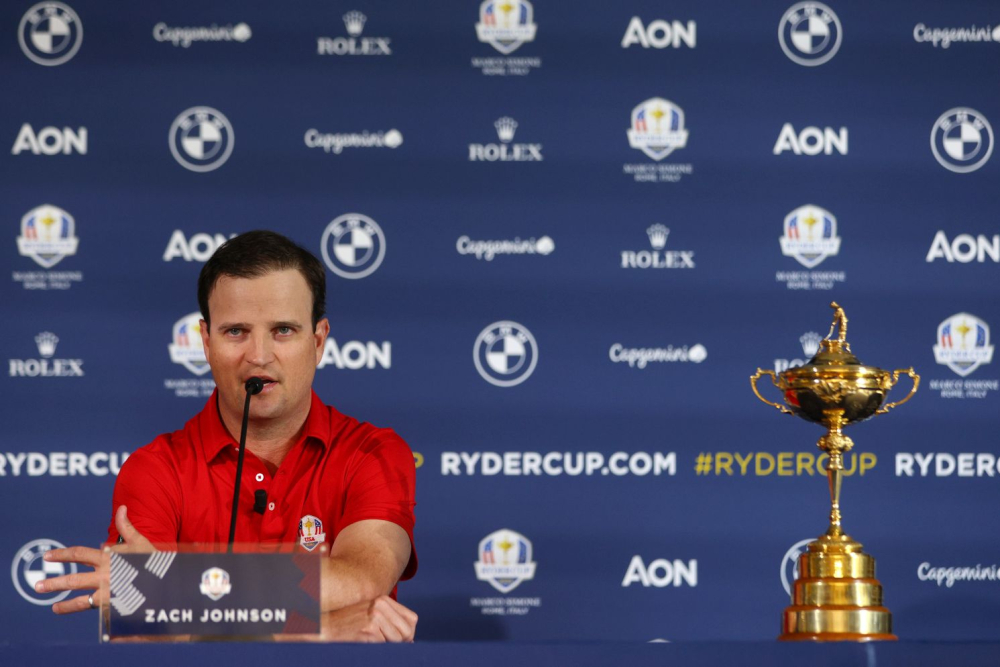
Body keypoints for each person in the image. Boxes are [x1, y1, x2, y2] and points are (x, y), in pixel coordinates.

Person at [36, 230, 419, 642]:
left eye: (283, 330)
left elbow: (362, 580)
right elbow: (140, 635)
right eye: (236, 331)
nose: (258, 355)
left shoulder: (373, 452)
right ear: (205, 341)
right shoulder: (155, 469)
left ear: (319, 339)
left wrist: (179, 589)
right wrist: (321, 630)